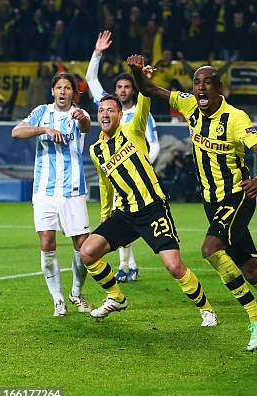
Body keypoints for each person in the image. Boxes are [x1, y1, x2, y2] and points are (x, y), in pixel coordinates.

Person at [129, 55, 257, 357]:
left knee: (210, 249)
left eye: (207, 83)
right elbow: (151, 90)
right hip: (212, 201)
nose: (200, 88)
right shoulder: (189, 104)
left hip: (238, 196)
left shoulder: (235, 118)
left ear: (220, 88)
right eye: (197, 83)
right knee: (253, 270)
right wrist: (136, 72)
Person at [79, 56, 216, 327]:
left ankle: (207, 309)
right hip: (125, 213)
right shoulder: (97, 150)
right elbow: (107, 185)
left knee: (174, 266)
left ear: (120, 114)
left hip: (153, 209)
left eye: (110, 110)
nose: (105, 114)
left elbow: (145, 98)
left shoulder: (134, 129)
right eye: (101, 110)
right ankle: (116, 297)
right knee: (87, 253)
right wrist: (106, 215)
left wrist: (143, 78)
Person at [11, 72, 92, 317]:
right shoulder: (41, 113)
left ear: (73, 93)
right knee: (47, 243)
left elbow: (86, 126)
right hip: (44, 191)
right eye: (60, 87)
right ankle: (58, 299)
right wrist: (43, 129)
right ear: (53, 91)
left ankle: (76, 293)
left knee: (83, 248)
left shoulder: (80, 113)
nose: (63, 91)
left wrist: (81, 119)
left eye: (68, 88)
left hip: (73, 191)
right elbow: (16, 132)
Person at [86, 31, 160, 283]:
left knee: (128, 221)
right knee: (120, 220)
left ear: (132, 88)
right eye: (119, 87)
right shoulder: (109, 108)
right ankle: (127, 266)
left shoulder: (140, 113)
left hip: (138, 177)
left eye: (128, 86)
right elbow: (90, 80)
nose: (123, 90)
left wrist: (143, 164)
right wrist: (97, 53)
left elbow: (153, 144)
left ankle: (129, 266)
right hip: (116, 176)